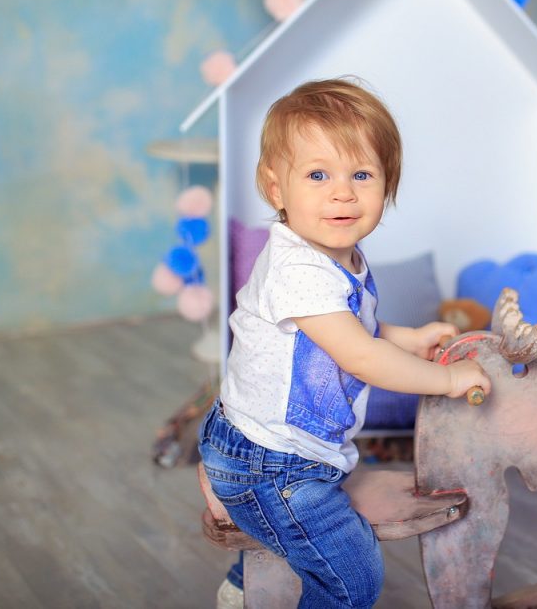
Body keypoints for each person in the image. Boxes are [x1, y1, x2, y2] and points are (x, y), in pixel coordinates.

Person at [198, 77, 492, 609]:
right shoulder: (299, 270)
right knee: (351, 578)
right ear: (276, 189)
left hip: (279, 448)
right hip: (271, 462)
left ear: (387, 184)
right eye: (318, 175)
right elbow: (360, 355)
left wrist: (412, 339)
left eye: (362, 174)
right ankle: (249, 565)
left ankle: (245, 587)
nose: (343, 192)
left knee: (299, 535)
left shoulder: (338, 257)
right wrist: (448, 379)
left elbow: (355, 331)